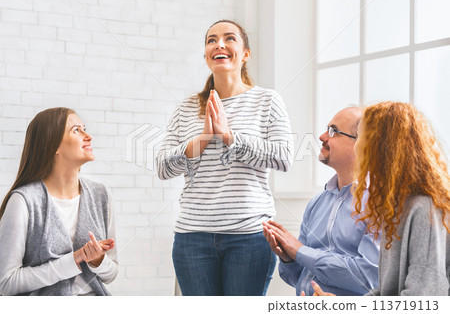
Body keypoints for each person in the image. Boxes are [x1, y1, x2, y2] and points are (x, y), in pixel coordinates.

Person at [156, 20, 293, 296]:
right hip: (192, 238)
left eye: (229, 38)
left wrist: (230, 137)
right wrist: (202, 140)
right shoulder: (187, 107)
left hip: (249, 237)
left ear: (245, 54)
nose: (219, 44)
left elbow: (283, 157)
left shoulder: (267, 101)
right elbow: (162, 167)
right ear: (206, 54)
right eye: (211, 40)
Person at [312, 101, 450, 296]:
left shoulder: (424, 208)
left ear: (380, 147)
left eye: (362, 138)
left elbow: (423, 300)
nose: (357, 146)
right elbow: (388, 291)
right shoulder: (395, 206)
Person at [0, 107, 118, 296]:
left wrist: (97, 261)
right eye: (76, 130)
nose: (88, 136)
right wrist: (73, 260)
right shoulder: (23, 201)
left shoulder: (100, 195)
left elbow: (111, 274)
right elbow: (6, 283)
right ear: (52, 146)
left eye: (84, 128)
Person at [263, 107, 379, 296]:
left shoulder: (379, 205)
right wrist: (288, 258)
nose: (322, 136)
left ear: (361, 144)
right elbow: (299, 277)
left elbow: (368, 278)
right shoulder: (318, 202)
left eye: (333, 131)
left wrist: (300, 251)